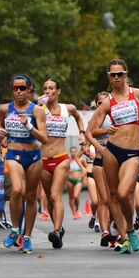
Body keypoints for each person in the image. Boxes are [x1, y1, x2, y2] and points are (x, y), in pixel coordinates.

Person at [91, 59, 139, 254]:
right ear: (109, 76)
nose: (117, 78)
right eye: (113, 75)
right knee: (113, 196)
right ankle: (125, 235)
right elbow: (92, 130)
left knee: (122, 193)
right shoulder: (107, 102)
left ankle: (130, 228)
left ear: (126, 74)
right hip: (112, 151)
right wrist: (104, 131)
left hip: (132, 153)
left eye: (120, 74)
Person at [0, 75, 48, 254]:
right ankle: (14, 229)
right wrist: (0, 133)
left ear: (29, 90)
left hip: (33, 156)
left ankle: (26, 237)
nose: (18, 91)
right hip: (13, 154)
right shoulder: (5, 109)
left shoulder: (37, 111)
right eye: (15, 88)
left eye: (22, 88)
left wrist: (29, 127)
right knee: (17, 190)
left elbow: (44, 138)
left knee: (30, 196)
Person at [39, 78, 86, 248]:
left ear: (58, 91)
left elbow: (79, 118)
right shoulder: (39, 109)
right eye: (45, 88)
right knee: (49, 200)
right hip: (43, 159)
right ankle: (57, 228)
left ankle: (57, 231)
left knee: (54, 195)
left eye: (51, 88)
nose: (47, 91)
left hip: (61, 158)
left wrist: (81, 133)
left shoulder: (68, 108)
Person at [85, 92, 114, 247]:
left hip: (117, 161)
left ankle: (115, 227)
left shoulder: (116, 114)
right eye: (99, 103)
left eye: (105, 102)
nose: (102, 105)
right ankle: (105, 232)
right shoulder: (95, 118)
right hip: (99, 159)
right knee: (103, 200)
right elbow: (89, 134)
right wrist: (100, 147)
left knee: (115, 198)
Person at [66, 146, 86, 219]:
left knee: (76, 196)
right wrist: (68, 172)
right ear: (70, 152)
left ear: (77, 152)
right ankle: (74, 212)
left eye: (75, 151)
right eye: (72, 152)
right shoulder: (68, 161)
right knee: (71, 197)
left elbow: (86, 169)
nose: (73, 153)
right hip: (70, 180)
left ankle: (77, 209)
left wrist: (82, 175)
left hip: (78, 180)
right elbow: (63, 171)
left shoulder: (81, 160)